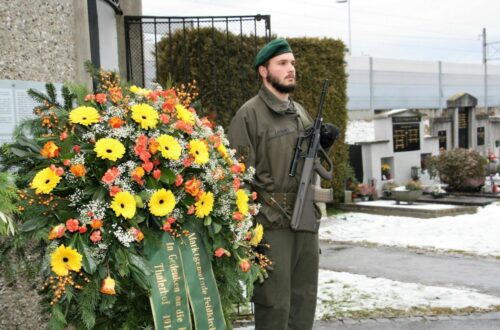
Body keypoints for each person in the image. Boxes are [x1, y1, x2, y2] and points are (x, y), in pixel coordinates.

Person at [228, 38, 322, 330]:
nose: (291, 69)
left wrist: (323, 142)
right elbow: (237, 177)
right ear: (263, 71)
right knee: (275, 306)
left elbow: (311, 164)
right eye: (282, 63)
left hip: (305, 221)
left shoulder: (301, 112)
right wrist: (245, 233)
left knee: (304, 302)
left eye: (292, 63)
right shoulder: (249, 115)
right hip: (270, 225)